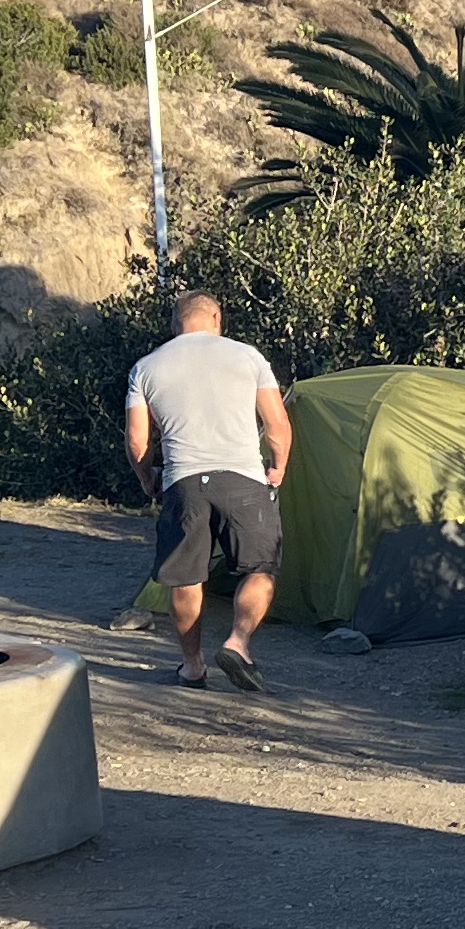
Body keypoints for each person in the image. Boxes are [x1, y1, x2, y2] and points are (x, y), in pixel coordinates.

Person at [122, 290, 293, 691]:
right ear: (216, 318)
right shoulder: (247, 357)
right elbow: (277, 425)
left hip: (183, 481)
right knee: (261, 568)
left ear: (174, 324)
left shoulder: (146, 367)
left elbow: (137, 441)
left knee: (186, 578)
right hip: (243, 478)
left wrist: (148, 478)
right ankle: (238, 641)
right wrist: (278, 467)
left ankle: (192, 665)